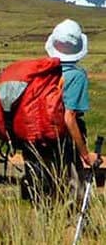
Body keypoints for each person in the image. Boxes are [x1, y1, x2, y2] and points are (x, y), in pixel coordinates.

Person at [20, 19, 99, 206]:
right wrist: (86, 155)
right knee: (74, 196)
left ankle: (47, 223)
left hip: (36, 142)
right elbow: (69, 118)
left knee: (45, 197)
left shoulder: (42, 73)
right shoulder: (76, 76)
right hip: (63, 144)